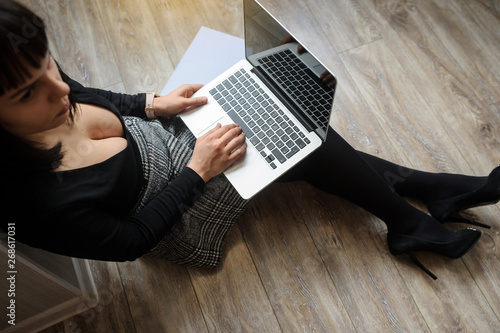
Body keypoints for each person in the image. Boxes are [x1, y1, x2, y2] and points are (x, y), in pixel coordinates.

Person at [0, 0, 497, 279]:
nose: (60, 89)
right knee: (295, 129)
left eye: (50, 63)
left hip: (165, 143)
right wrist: (199, 171)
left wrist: (150, 103)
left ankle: (426, 194)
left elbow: (88, 93)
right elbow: (133, 243)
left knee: (284, 121)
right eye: (29, 92)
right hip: (174, 219)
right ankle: (414, 213)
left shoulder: (40, 81)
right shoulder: (32, 204)